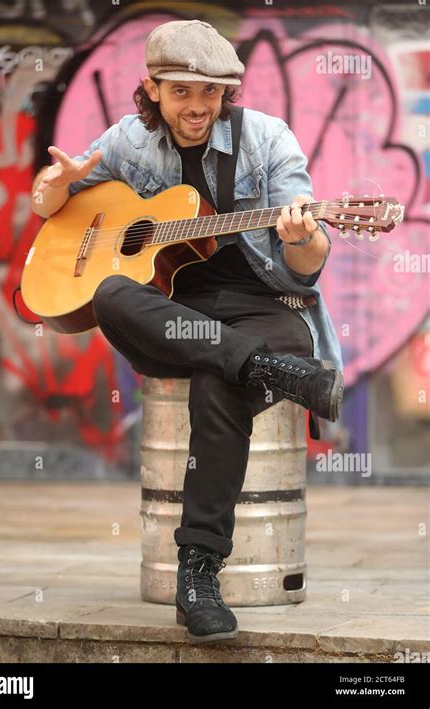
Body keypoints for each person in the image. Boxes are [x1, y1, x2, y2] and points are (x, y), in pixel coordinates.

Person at [31, 19, 344, 644]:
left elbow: (307, 265)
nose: (196, 107)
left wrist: (304, 237)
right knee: (113, 291)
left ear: (227, 92)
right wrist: (56, 186)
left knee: (219, 376)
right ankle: (269, 370)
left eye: (210, 93)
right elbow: (53, 208)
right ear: (152, 90)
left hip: (260, 303)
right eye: (181, 93)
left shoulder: (266, 140)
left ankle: (196, 575)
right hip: (170, 318)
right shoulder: (128, 141)